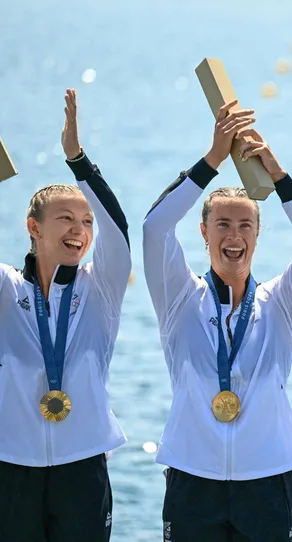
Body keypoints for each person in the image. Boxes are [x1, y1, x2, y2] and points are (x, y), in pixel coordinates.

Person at [142, 100, 292, 541]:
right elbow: (155, 228)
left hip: (267, 477)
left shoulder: (283, 301)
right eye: (223, 225)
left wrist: (277, 175)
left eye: (245, 226)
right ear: (203, 232)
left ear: (258, 233)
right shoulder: (177, 295)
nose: (234, 237)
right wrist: (213, 158)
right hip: (193, 475)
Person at [0, 89, 131, 541]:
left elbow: (119, 226)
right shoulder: (5, 287)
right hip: (10, 466)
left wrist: (77, 159)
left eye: (86, 221)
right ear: (33, 228)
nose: (80, 230)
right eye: (66, 219)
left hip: (83, 464)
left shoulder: (103, 286)